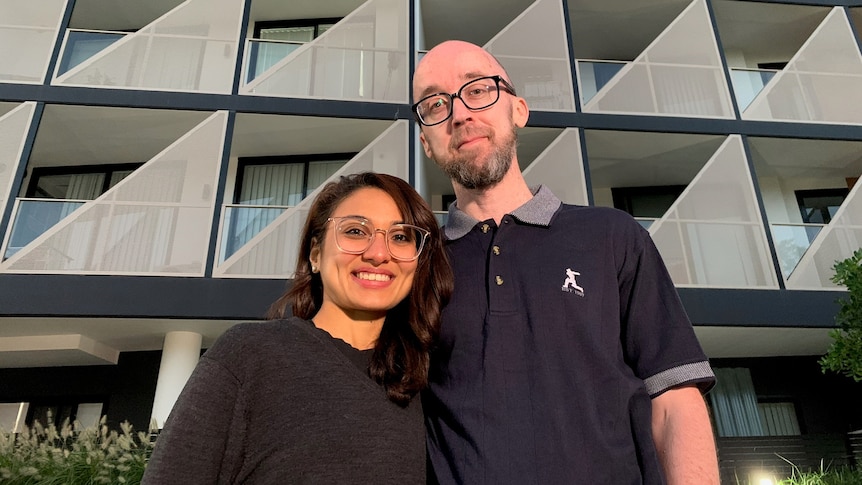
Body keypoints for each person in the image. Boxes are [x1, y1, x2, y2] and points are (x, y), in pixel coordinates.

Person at [412, 40, 720, 484]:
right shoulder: (415, 268)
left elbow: (674, 400)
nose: (459, 114)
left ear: (518, 109)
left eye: (477, 90)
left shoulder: (612, 236)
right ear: (426, 140)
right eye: (435, 104)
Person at [142, 172, 453, 484]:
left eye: (400, 237)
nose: (378, 253)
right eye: (356, 231)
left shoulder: (423, 383)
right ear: (315, 254)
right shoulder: (250, 356)